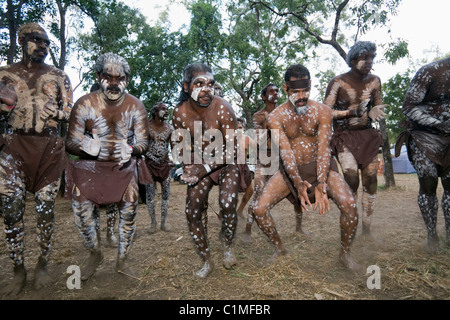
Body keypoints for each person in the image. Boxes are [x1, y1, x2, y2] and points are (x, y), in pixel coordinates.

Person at [252, 64, 361, 272]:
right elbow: (286, 152)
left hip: (322, 167)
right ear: (285, 89)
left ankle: (344, 254)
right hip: (291, 171)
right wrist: (297, 182)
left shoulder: (322, 111)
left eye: (305, 90)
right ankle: (280, 249)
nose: (301, 96)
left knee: (349, 204)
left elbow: (323, 149)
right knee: (259, 209)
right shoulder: (275, 117)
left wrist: (321, 182)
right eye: (295, 92)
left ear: (310, 85)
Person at [0, 23, 73, 296]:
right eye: (36, 40)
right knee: (11, 211)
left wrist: (57, 112)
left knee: (45, 212)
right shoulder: (4, 75)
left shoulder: (59, 76)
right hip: (13, 147)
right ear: (21, 40)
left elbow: (70, 112)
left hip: (49, 148)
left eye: (46, 43)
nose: (42, 46)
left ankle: (42, 264)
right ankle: (18, 270)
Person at [65, 52, 149, 280]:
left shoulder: (136, 106)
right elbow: (70, 143)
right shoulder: (84, 104)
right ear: (98, 76)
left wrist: (132, 150)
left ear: (127, 80)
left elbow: (143, 142)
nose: (114, 83)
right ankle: (95, 253)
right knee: (81, 210)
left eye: (119, 78)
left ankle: (122, 260)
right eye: (107, 76)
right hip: (91, 168)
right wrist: (85, 148)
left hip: (123, 168)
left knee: (130, 209)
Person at [172, 62, 249, 278]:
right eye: (200, 84)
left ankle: (227, 246)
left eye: (211, 84)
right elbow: (181, 148)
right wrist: (186, 167)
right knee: (192, 211)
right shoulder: (179, 113)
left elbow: (234, 148)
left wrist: (203, 168)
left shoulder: (223, 107)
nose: (207, 89)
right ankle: (206, 259)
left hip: (226, 161)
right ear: (186, 87)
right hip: (200, 162)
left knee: (227, 203)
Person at [323, 41, 386, 237]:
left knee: (370, 178)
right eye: (364, 58)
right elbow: (325, 112)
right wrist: (352, 112)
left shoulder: (375, 81)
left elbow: (378, 106)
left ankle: (366, 228)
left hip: (368, 136)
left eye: (371, 58)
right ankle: (351, 220)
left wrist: (376, 111)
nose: (369, 61)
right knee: (350, 175)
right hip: (344, 137)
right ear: (353, 60)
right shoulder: (338, 82)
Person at [395, 57, 450, 253]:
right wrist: (436, 123)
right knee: (428, 183)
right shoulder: (430, 71)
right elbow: (408, 107)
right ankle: (432, 236)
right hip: (424, 137)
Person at [242, 83, 309, 243]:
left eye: (277, 91)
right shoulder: (258, 116)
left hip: (283, 159)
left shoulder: (286, 112)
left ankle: (299, 227)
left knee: (295, 192)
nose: (275, 93)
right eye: (271, 91)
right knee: (258, 192)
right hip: (265, 160)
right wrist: (270, 123)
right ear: (264, 96)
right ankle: (247, 230)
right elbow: (259, 139)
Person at [89, 82, 119, 247]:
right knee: (93, 198)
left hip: (110, 161)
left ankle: (110, 232)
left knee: (112, 199)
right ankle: (95, 234)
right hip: (91, 161)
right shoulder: (85, 114)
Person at [144, 101, 174, 233]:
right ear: (155, 112)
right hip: (149, 166)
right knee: (150, 195)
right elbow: (142, 146)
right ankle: (153, 223)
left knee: (166, 194)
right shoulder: (146, 127)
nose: (166, 111)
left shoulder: (170, 128)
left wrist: (175, 158)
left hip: (165, 165)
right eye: (163, 109)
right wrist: (153, 158)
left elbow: (174, 146)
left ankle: (163, 223)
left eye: (167, 109)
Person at [235, 117, 254, 218]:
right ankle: (221, 215)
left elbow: (257, 147)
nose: (239, 129)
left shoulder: (246, 138)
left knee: (250, 190)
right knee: (232, 194)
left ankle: (240, 210)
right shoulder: (228, 138)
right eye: (236, 127)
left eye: (240, 127)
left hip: (244, 166)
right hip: (232, 166)